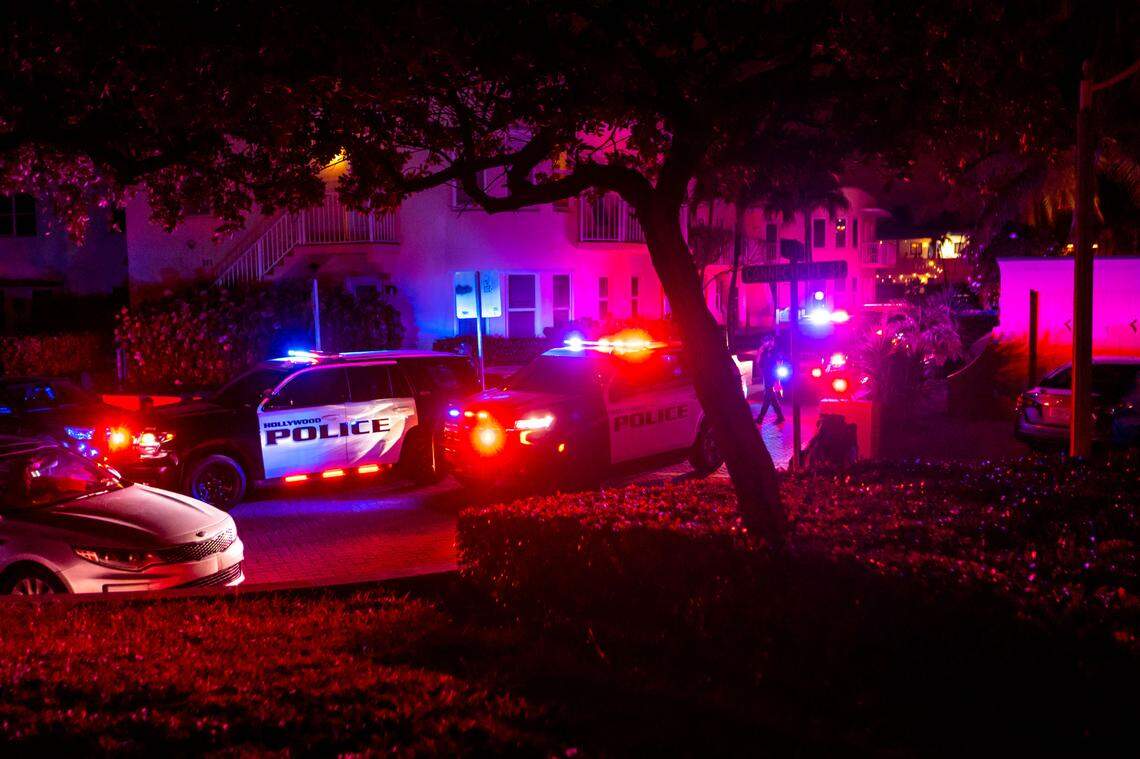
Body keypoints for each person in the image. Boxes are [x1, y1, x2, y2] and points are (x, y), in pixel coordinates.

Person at [756, 337, 785, 424]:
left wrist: (777, 380)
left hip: (772, 378)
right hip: (766, 377)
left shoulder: (776, 351)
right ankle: (780, 417)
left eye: (766, 341)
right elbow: (758, 363)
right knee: (772, 399)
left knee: (767, 398)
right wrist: (759, 352)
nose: (764, 343)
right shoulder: (764, 352)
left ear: (771, 342)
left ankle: (760, 419)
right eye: (763, 342)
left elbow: (779, 364)